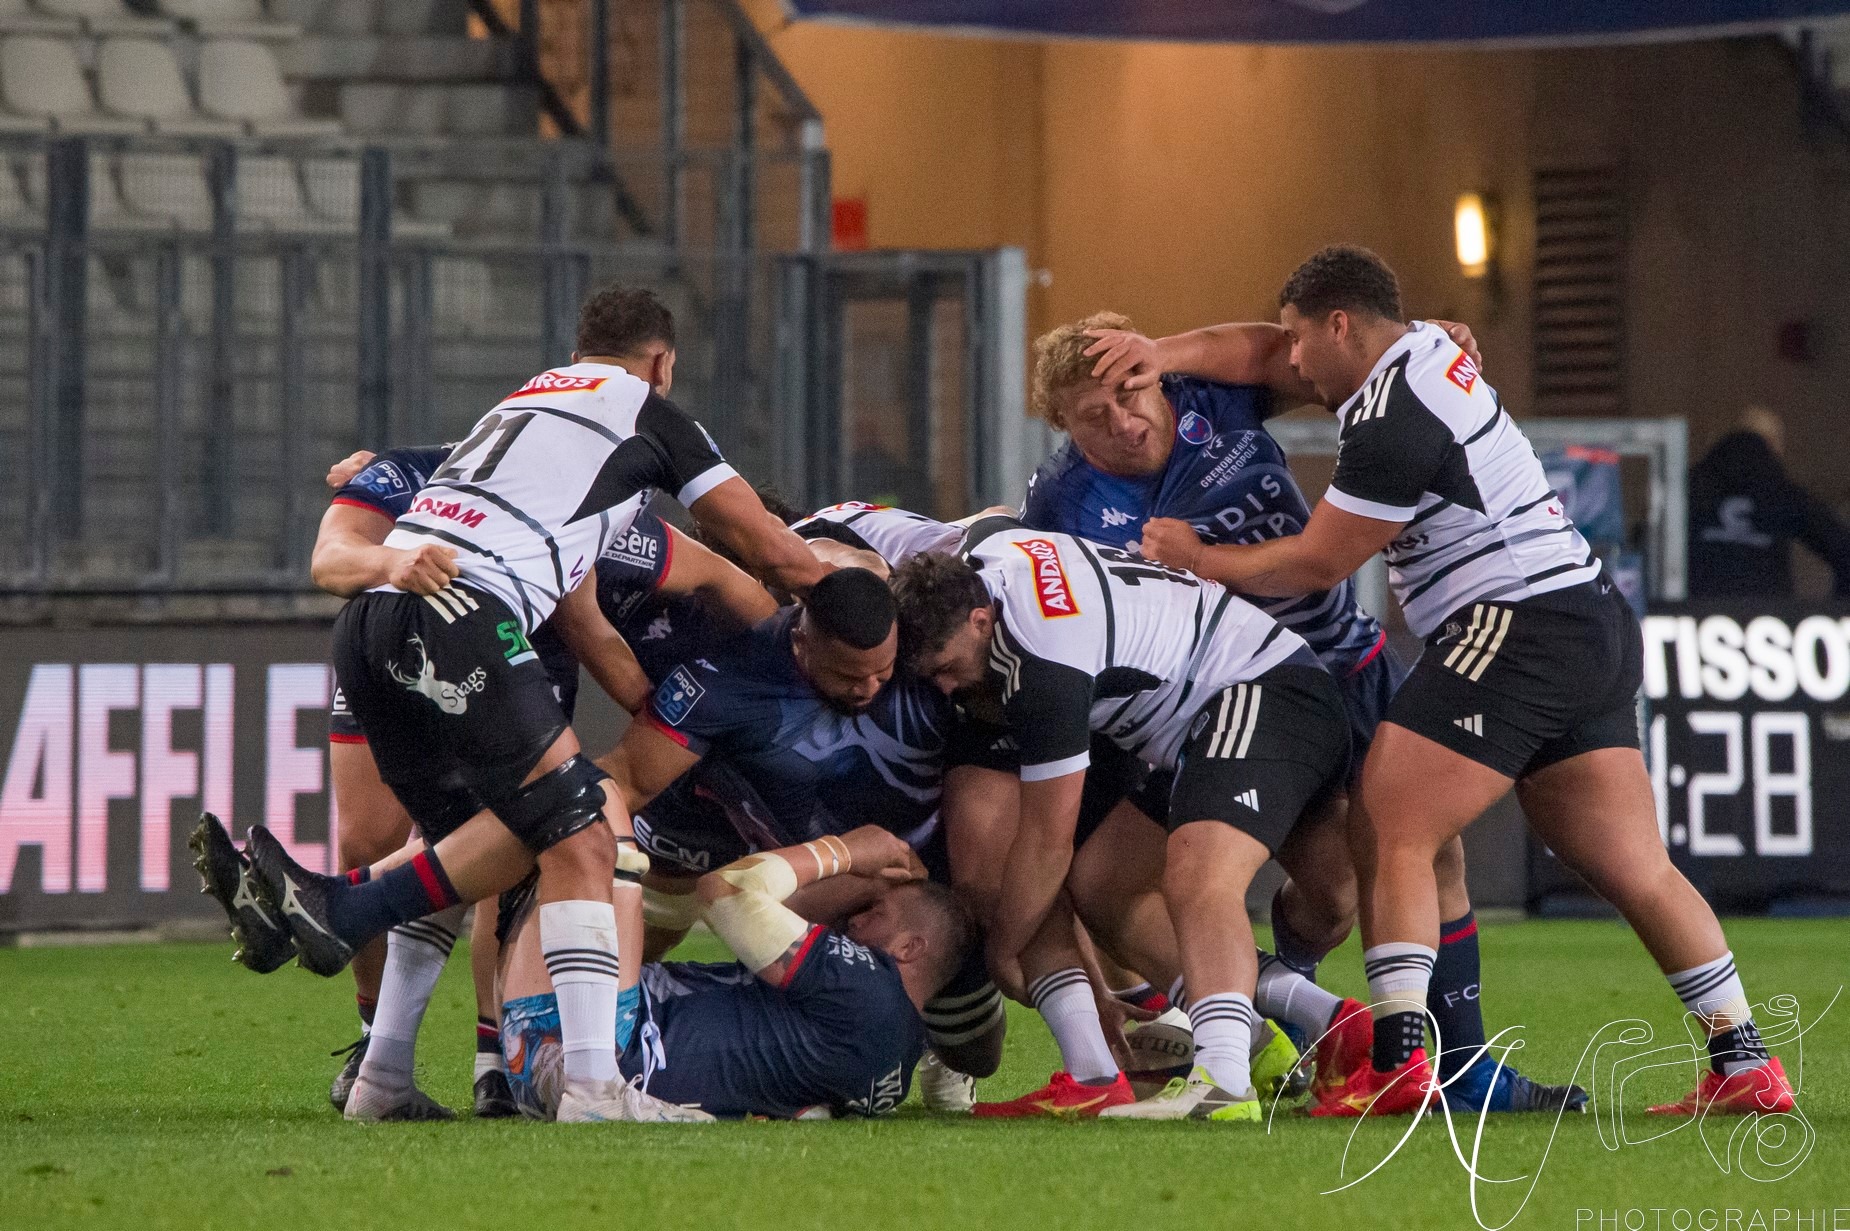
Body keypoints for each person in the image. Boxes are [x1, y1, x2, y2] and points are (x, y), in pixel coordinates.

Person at [1140, 245, 1796, 1118]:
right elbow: (1259, 351)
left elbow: (1319, 561)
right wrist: (1158, 352)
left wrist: (1199, 558)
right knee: (1632, 862)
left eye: (1301, 340)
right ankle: (1743, 1058)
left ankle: (1405, 1064)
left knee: (1390, 821)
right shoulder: (1419, 355)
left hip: (1516, 620)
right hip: (1586, 617)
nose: (1290, 363)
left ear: (1342, 325)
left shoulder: (1391, 406)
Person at [205, 283, 827, 1125]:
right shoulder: (639, 415)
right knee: (580, 835)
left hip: (370, 627)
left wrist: (668, 708)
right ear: (663, 364)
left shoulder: (519, 418)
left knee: (462, 850)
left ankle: (381, 1069)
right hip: (459, 616)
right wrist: (842, 602)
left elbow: (593, 620)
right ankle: (595, 1088)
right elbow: (758, 544)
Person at [1024, 311, 1582, 1113]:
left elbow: (1300, 352)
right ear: (1061, 428)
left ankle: (1455, 1064)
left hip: (1345, 668)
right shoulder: (1064, 503)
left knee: (1357, 884)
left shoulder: (1205, 393)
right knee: (1113, 879)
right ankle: (1294, 1024)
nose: (1123, 420)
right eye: (1093, 415)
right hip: (1222, 702)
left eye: (1131, 390)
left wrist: (1413, 340)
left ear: (1153, 373)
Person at [891, 519, 1351, 1122]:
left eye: (948, 666)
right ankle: (1336, 1024)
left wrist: (1005, 947)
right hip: (1208, 715)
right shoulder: (988, 551)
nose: (947, 688)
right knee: (1107, 882)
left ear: (981, 621)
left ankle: (1222, 1083)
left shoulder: (1043, 663)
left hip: (1257, 691)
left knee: (1199, 879)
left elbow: (1045, 841)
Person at [495, 825, 973, 1120]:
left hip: (588, 1047)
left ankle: (484, 1062)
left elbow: (725, 891)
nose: (857, 919)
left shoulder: (868, 988)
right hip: (558, 1061)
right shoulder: (893, 1077)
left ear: (910, 948)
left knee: (589, 819)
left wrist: (843, 850)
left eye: (878, 913)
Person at [1688, 405, 1850, 597]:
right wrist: (1831, 615)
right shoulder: (1781, 491)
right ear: (1774, 444)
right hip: (1769, 617)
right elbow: (1842, 548)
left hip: (1696, 614)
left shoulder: (1689, 486)